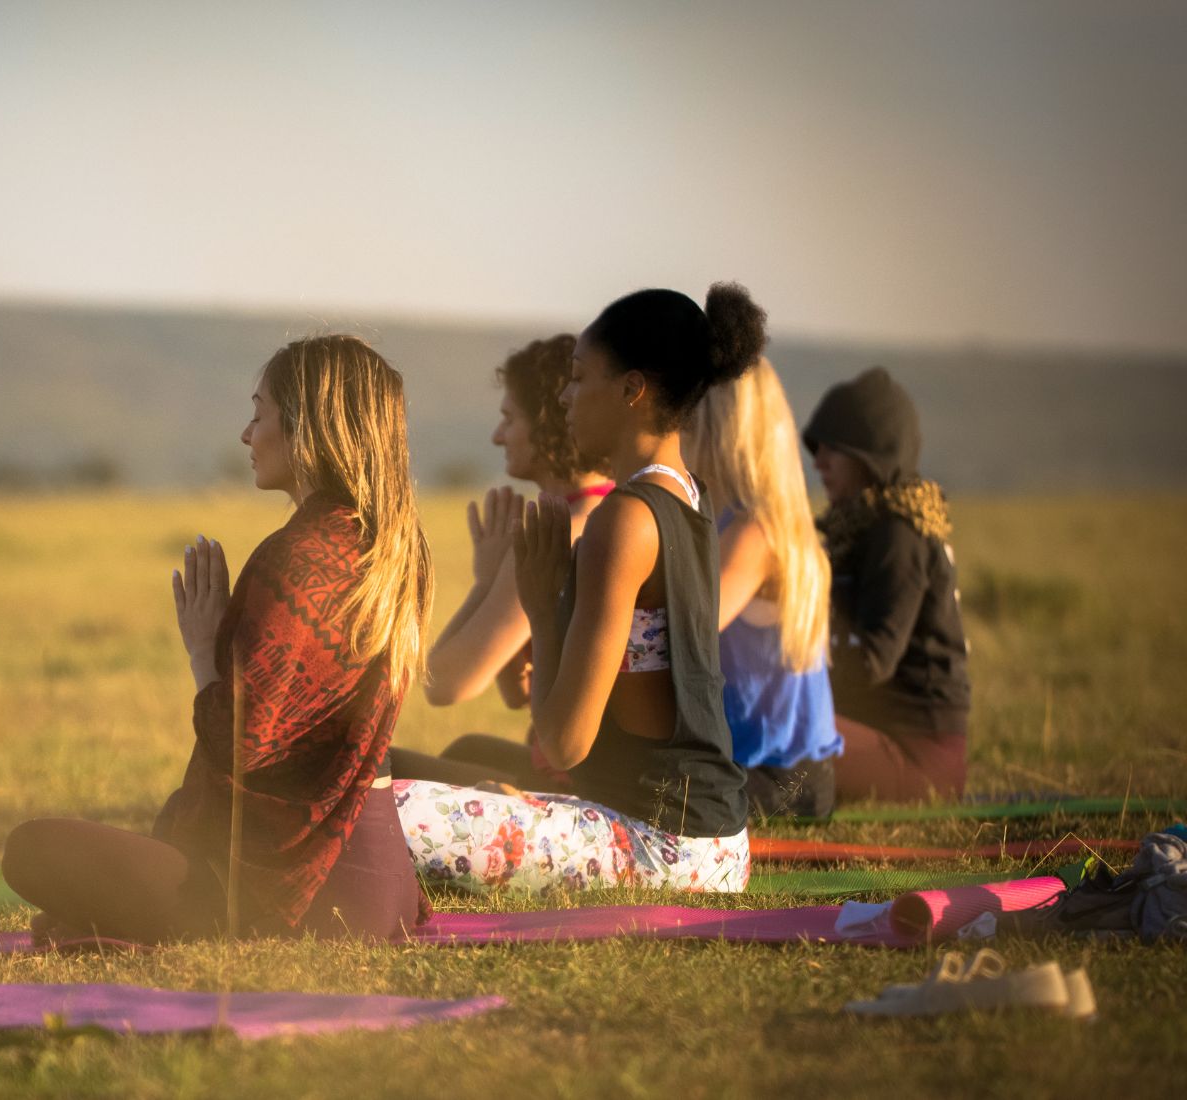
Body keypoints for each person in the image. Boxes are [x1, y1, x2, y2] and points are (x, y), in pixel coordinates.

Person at [1, 335, 432, 941]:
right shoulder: (389, 550)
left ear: (309, 427)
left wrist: (203, 649)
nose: (246, 435)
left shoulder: (298, 557)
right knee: (89, 894)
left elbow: (241, 742)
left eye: (259, 414)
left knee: (30, 849)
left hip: (298, 894)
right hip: (381, 885)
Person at [396, 285, 762, 894]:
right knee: (380, 776)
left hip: (657, 846)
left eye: (577, 378)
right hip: (709, 844)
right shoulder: (684, 496)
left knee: (367, 808)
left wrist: (542, 610)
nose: (564, 397)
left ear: (630, 391)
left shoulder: (624, 520)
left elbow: (565, 744)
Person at [391, 336, 613, 790]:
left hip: (579, 788)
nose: (497, 435)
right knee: (468, 751)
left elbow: (446, 684)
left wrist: (487, 581)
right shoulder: (607, 509)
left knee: (379, 770)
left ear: (549, 425)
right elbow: (521, 694)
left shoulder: (563, 530)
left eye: (509, 418)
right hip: (595, 774)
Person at [802, 366, 970, 803]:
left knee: (774, 738)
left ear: (870, 456)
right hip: (878, 736)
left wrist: (786, 674)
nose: (817, 461)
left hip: (918, 757)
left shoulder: (898, 534)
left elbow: (874, 660)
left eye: (831, 449)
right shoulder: (866, 529)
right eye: (817, 448)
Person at [686, 358, 841, 819]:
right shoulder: (734, 519)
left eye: (686, 419)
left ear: (718, 432)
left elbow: (686, 632)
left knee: (639, 795)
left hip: (783, 777)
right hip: (767, 766)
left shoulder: (755, 531)